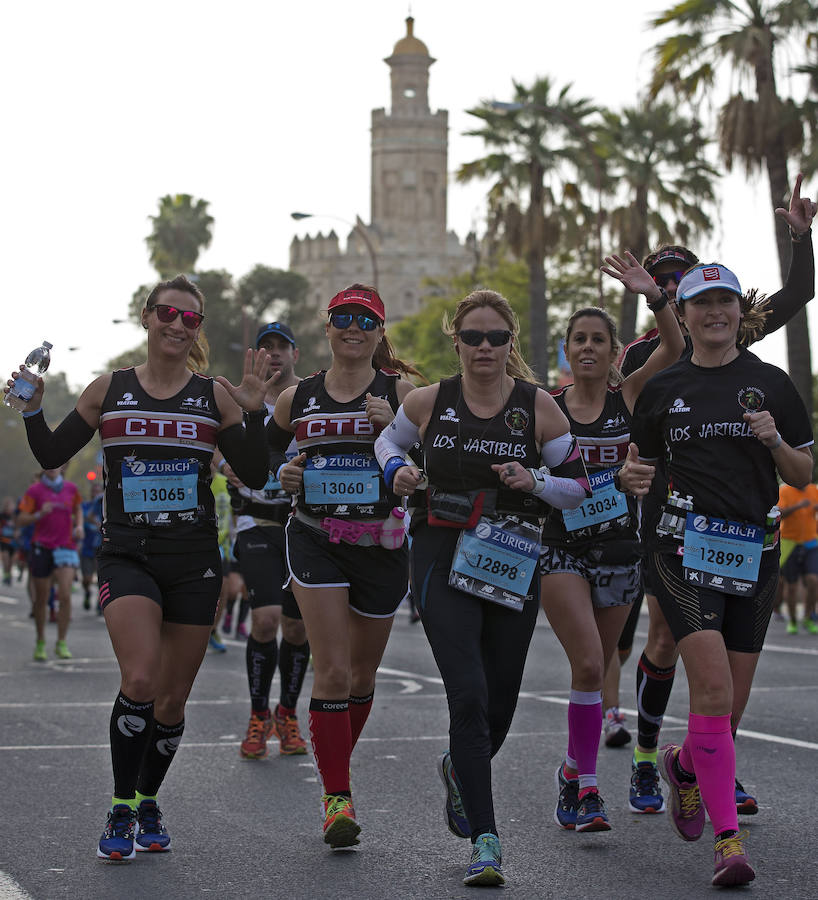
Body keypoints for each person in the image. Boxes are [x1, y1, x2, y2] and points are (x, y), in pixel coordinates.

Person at [6, 274, 271, 861]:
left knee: (171, 703)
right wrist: (32, 410)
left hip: (193, 561)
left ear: (197, 330)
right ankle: (122, 806)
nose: (178, 325)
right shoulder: (110, 389)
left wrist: (253, 414)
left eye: (190, 318)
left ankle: (149, 799)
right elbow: (51, 452)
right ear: (147, 317)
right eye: (168, 313)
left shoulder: (215, 396)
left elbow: (254, 473)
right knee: (142, 680)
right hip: (128, 555)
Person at [612, 175, 816, 816]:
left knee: (728, 671)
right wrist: (630, 478)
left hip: (743, 523)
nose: (676, 291)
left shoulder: (736, 341)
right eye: (665, 285)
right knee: (666, 641)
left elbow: (799, 294)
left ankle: (707, 764)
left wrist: (800, 238)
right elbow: (637, 437)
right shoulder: (650, 355)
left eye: (684, 280)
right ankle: (647, 758)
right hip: (674, 523)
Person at [374, 289, 592, 887]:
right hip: (442, 554)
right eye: (473, 337)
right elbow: (388, 441)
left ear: (510, 342)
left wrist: (535, 481)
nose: (485, 348)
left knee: (499, 703)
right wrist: (398, 470)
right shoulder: (428, 401)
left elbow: (578, 489)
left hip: (511, 559)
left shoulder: (539, 407)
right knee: (467, 694)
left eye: (496, 337)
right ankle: (486, 840)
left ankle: (458, 768)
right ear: (457, 342)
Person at [269, 284, 417, 850]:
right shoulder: (297, 397)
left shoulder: (402, 393)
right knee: (331, 671)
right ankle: (337, 797)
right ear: (327, 326)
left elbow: (436, 461)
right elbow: (265, 457)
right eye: (343, 318)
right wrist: (282, 474)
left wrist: (397, 427)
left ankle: (335, 763)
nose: (354, 327)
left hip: (381, 544)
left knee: (360, 677)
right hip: (316, 538)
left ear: (380, 332)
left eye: (366, 320)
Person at [541, 269, 685, 834]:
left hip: (621, 549)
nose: (588, 348)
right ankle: (589, 789)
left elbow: (673, 346)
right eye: (579, 339)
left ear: (613, 351)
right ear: (567, 349)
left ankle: (569, 770)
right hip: (561, 549)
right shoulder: (547, 406)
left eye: (598, 340)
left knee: (599, 669)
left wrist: (653, 297)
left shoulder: (628, 397)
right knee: (587, 665)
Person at [223, 322, 311, 759]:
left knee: (297, 628)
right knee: (265, 621)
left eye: (281, 346)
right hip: (256, 524)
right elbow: (215, 443)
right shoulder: (243, 397)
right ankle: (259, 716)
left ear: (296, 353)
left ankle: (287, 714)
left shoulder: (311, 398)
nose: (274, 353)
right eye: (266, 347)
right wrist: (225, 465)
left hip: (304, 526)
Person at [17, 467, 83, 660]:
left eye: (56, 464)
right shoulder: (34, 490)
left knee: (65, 595)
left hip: (66, 547)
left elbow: (78, 508)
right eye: (48, 464)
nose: (52, 467)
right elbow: (21, 519)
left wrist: (79, 526)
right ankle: (40, 641)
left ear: (62, 467)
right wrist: (39, 514)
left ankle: (61, 642)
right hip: (42, 546)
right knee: (41, 599)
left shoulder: (71, 488)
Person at [777, 481, 818, 634]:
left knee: (813, 581)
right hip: (790, 543)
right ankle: (793, 620)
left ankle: (808, 617)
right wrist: (798, 506)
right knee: (791, 586)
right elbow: (779, 513)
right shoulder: (784, 490)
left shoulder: (813, 489)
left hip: (811, 542)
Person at [80, 481, 104, 612]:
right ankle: (87, 592)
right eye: (94, 491)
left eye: (98, 491)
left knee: (101, 576)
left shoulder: (104, 503)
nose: (96, 494)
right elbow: (84, 519)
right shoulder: (85, 506)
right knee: (87, 579)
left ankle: (100, 602)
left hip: (101, 546)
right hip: (87, 546)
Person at [0, 496, 18, 586]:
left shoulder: (15, 517)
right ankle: (6, 575)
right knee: (5, 558)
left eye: (12, 506)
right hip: (4, 540)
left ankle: (9, 575)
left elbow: (19, 527)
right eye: (8, 506)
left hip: (13, 542)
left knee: (11, 561)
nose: (10, 508)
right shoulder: (2, 516)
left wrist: (17, 533)